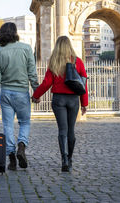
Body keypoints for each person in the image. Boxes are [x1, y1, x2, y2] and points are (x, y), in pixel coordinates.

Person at [0, 22, 39, 171]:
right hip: (22, 92)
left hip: (6, 93)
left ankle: (11, 159)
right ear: (15, 33)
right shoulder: (26, 48)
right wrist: (36, 92)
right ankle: (21, 146)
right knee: (25, 122)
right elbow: (32, 73)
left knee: (8, 125)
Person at [32, 36, 88, 172]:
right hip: (74, 99)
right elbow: (84, 83)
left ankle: (64, 159)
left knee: (62, 130)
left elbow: (46, 83)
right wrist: (84, 103)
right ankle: (70, 159)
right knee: (71, 130)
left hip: (59, 100)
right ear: (69, 46)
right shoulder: (77, 61)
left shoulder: (54, 61)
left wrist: (35, 96)